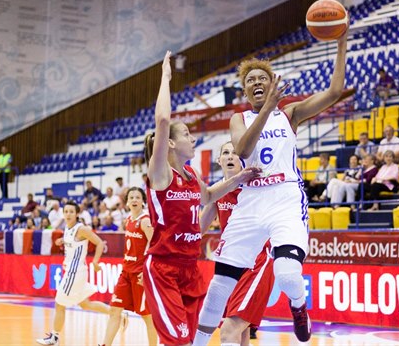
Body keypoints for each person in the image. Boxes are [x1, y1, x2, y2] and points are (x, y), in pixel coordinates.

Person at [194, 26, 347, 346]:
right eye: (250, 80)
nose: (257, 82)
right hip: (250, 200)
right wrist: (265, 110)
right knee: (218, 288)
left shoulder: (290, 113)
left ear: (273, 82)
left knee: (288, 273)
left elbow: (334, 92)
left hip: (284, 196)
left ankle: (298, 306)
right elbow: (244, 151)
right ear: (245, 91)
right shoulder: (239, 119)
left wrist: (341, 41)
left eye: (263, 77)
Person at [142, 51, 259, 346]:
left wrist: (239, 179)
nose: (193, 139)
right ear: (170, 142)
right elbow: (163, 119)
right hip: (164, 267)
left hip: (190, 268)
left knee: (191, 339)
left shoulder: (192, 176)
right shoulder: (161, 173)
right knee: (178, 340)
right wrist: (166, 77)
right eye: (187, 135)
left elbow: (207, 196)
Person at [199, 141, 275, 345]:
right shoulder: (216, 191)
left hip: (257, 261)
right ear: (219, 160)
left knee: (229, 330)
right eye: (226, 153)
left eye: (235, 153)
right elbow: (197, 231)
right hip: (231, 263)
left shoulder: (255, 188)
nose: (231, 156)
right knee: (240, 332)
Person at [36, 201, 110, 345]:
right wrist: (62, 241)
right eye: (66, 211)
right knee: (86, 305)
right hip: (73, 272)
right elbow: (73, 241)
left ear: (77, 214)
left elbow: (100, 243)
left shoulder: (81, 229)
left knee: (59, 304)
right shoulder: (68, 229)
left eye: (71, 212)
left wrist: (95, 262)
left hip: (75, 272)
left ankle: (54, 338)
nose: (68, 214)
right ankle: (117, 313)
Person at [101, 187, 157, 346]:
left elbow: (156, 247)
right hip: (125, 272)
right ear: (126, 202)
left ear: (143, 201)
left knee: (147, 316)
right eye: (131, 197)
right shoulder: (129, 220)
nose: (134, 200)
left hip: (140, 275)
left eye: (137, 197)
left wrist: (147, 271)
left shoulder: (145, 221)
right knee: (114, 310)